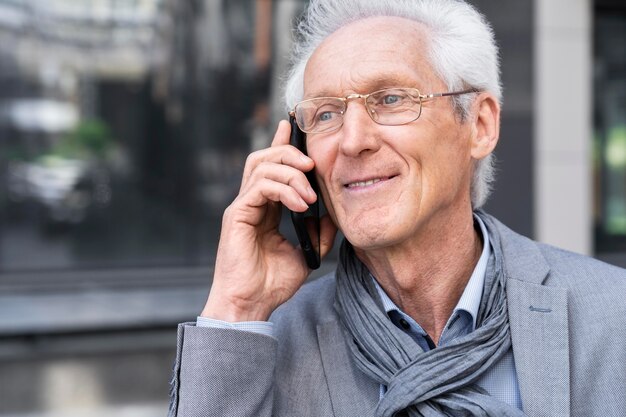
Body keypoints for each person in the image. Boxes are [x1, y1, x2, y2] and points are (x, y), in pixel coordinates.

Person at [168, 0, 626, 416]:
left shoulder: (611, 315)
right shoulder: (259, 345)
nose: (353, 140)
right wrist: (236, 304)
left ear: (480, 125)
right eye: (326, 114)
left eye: (390, 100)